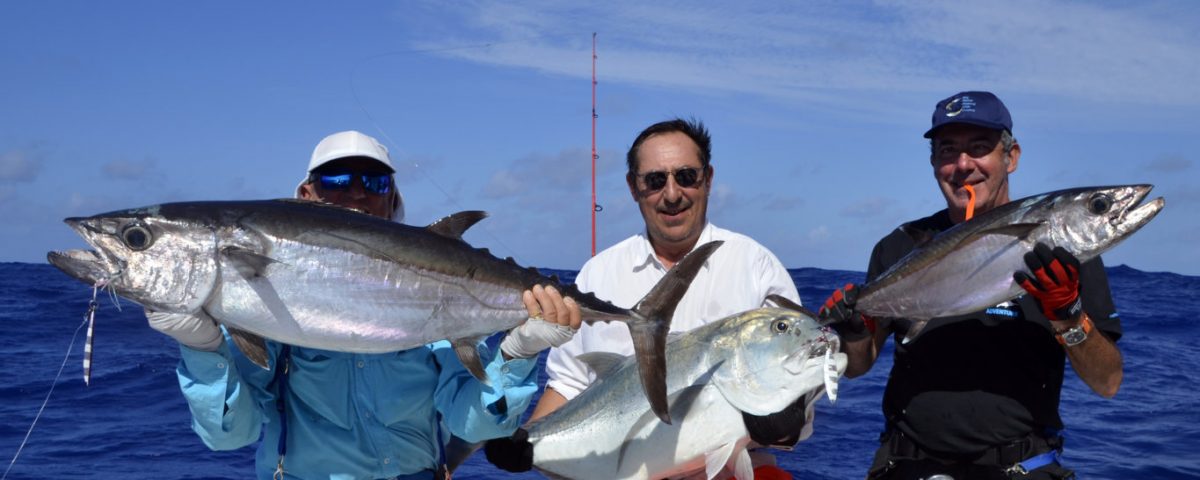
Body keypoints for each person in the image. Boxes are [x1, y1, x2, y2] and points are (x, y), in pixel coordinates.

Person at [145, 130, 580, 480]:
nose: (356, 193)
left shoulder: (436, 294)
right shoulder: (263, 304)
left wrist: (517, 355)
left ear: (392, 198)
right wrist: (203, 351)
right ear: (306, 193)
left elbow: (476, 426)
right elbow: (229, 437)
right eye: (337, 180)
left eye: (374, 182)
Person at [820, 91, 1124, 480]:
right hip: (908, 465)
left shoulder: (1069, 257)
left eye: (979, 148)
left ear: (1010, 157)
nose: (963, 165)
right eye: (948, 151)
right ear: (933, 163)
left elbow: (1108, 382)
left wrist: (1068, 314)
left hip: (1020, 468)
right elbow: (858, 367)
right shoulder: (900, 245)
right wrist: (854, 330)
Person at [485, 118, 803, 477]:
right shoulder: (599, 273)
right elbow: (570, 383)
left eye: (686, 176)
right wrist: (526, 442)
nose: (671, 194)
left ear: (708, 179)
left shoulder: (755, 266)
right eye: (654, 181)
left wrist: (782, 422)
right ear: (633, 188)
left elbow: (798, 406)